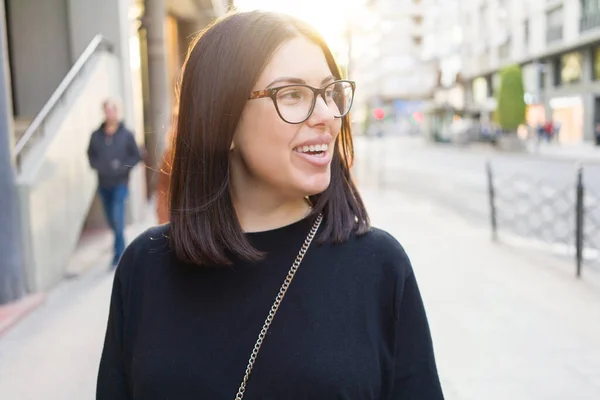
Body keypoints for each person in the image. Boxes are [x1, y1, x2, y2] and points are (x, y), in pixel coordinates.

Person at [97, 10, 443, 400]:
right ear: (221, 120)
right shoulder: (146, 266)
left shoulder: (380, 266)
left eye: (331, 93)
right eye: (292, 94)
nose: (327, 115)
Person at [87, 99, 141, 267]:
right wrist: (99, 166)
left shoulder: (126, 134)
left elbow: (136, 155)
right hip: (104, 184)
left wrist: (122, 168)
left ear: (116, 112)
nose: (109, 114)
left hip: (120, 183)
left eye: (112, 110)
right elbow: (90, 155)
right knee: (111, 220)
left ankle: (120, 255)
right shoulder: (96, 135)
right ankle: (120, 250)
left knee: (117, 219)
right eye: (106, 111)